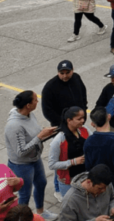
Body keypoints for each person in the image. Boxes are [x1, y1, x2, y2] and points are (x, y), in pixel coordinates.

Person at [5, 91, 58, 220]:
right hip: (22, 164)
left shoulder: (29, 114)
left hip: (34, 158)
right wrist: (40, 137)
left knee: (41, 183)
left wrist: (45, 132)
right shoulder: (14, 125)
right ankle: (21, 218)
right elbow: (21, 152)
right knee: (25, 194)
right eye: (35, 100)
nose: (37, 101)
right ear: (28, 105)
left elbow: (34, 133)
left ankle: (40, 211)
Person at [83, 107, 114, 218]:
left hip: (98, 188)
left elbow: (88, 167)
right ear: (109, 117)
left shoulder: (89, 141)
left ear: (92, 123)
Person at [48, 107, 89, 197]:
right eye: (79, 119)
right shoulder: (59, 140)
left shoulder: (84, 130)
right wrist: (73, 162)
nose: (83, 121)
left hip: (85, 178)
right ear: (69, 120)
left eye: (83, 118)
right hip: (68, 183)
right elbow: (52, 164)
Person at [41, 60, 88, 128]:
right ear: (58, 72)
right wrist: (64, 123)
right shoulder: (49, 87)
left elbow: (83, 94)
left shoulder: (76, 78)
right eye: (61, 73)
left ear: (72, 70)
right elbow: (47, 111)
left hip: (79, 122)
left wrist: (83, 112)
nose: (65, 76)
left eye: (68, 72)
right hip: (62, 126)